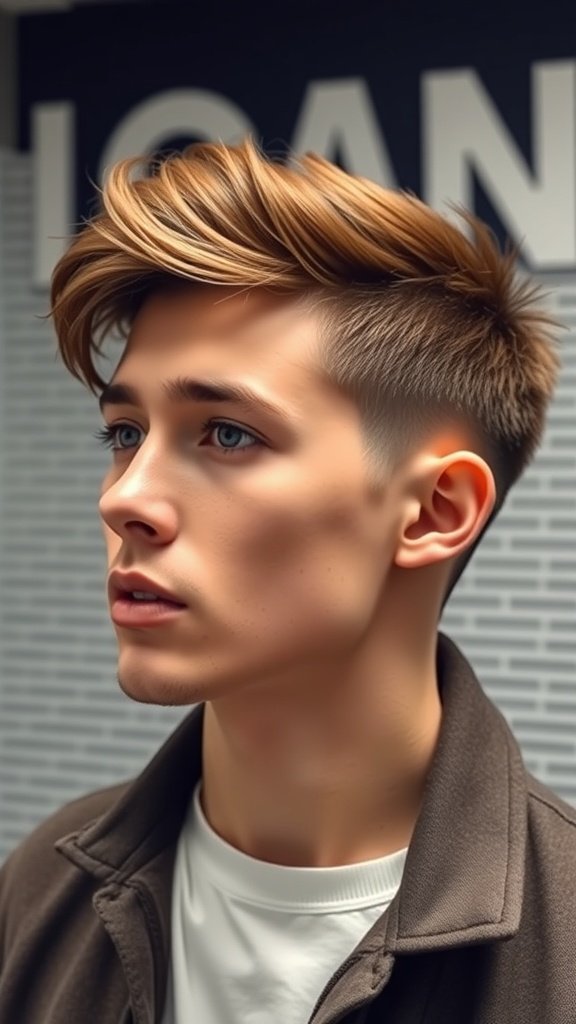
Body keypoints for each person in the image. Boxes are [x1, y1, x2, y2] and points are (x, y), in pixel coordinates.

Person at [0, 138, 574, 1024]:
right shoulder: (44, 884)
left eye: (226, 434)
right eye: (124, 433)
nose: (127, 499)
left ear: (433, 512)